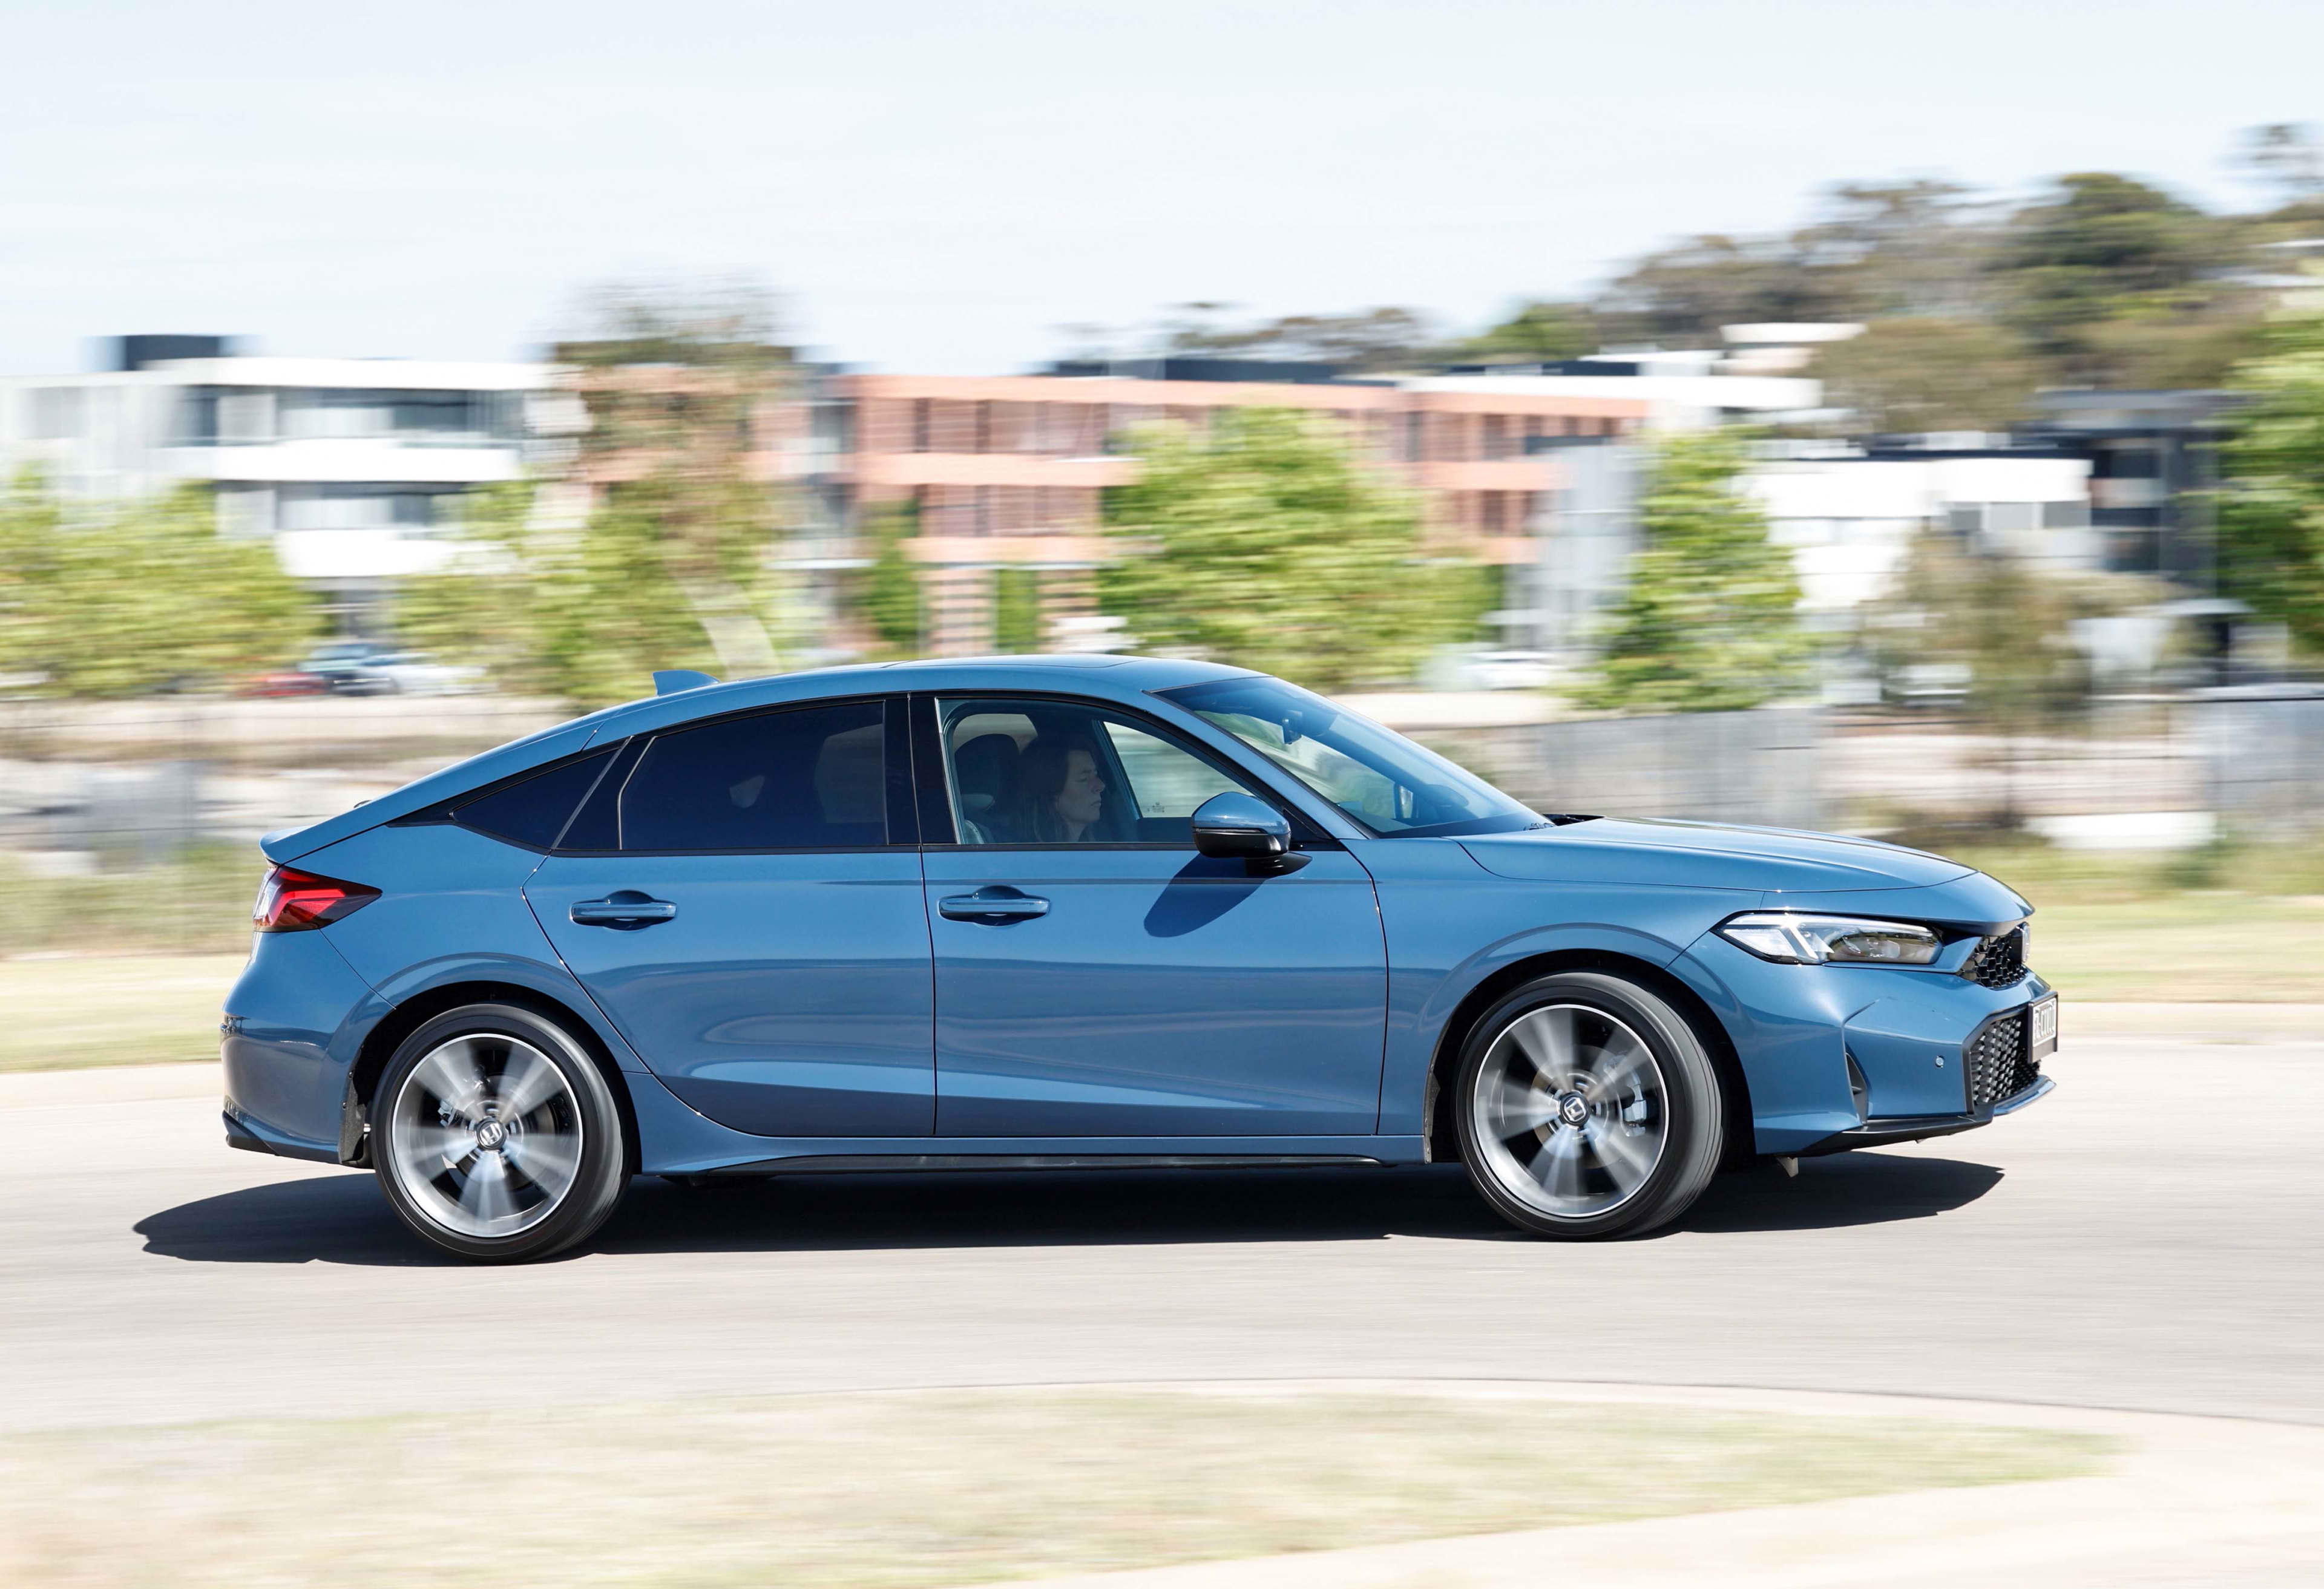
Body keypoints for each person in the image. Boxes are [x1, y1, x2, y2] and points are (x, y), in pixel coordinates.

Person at [1010, 735, 1106, 842]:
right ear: (1051, 792)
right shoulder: (1031, 856)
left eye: (1096, 775)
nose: (1101, 785)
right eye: (1084, 779)